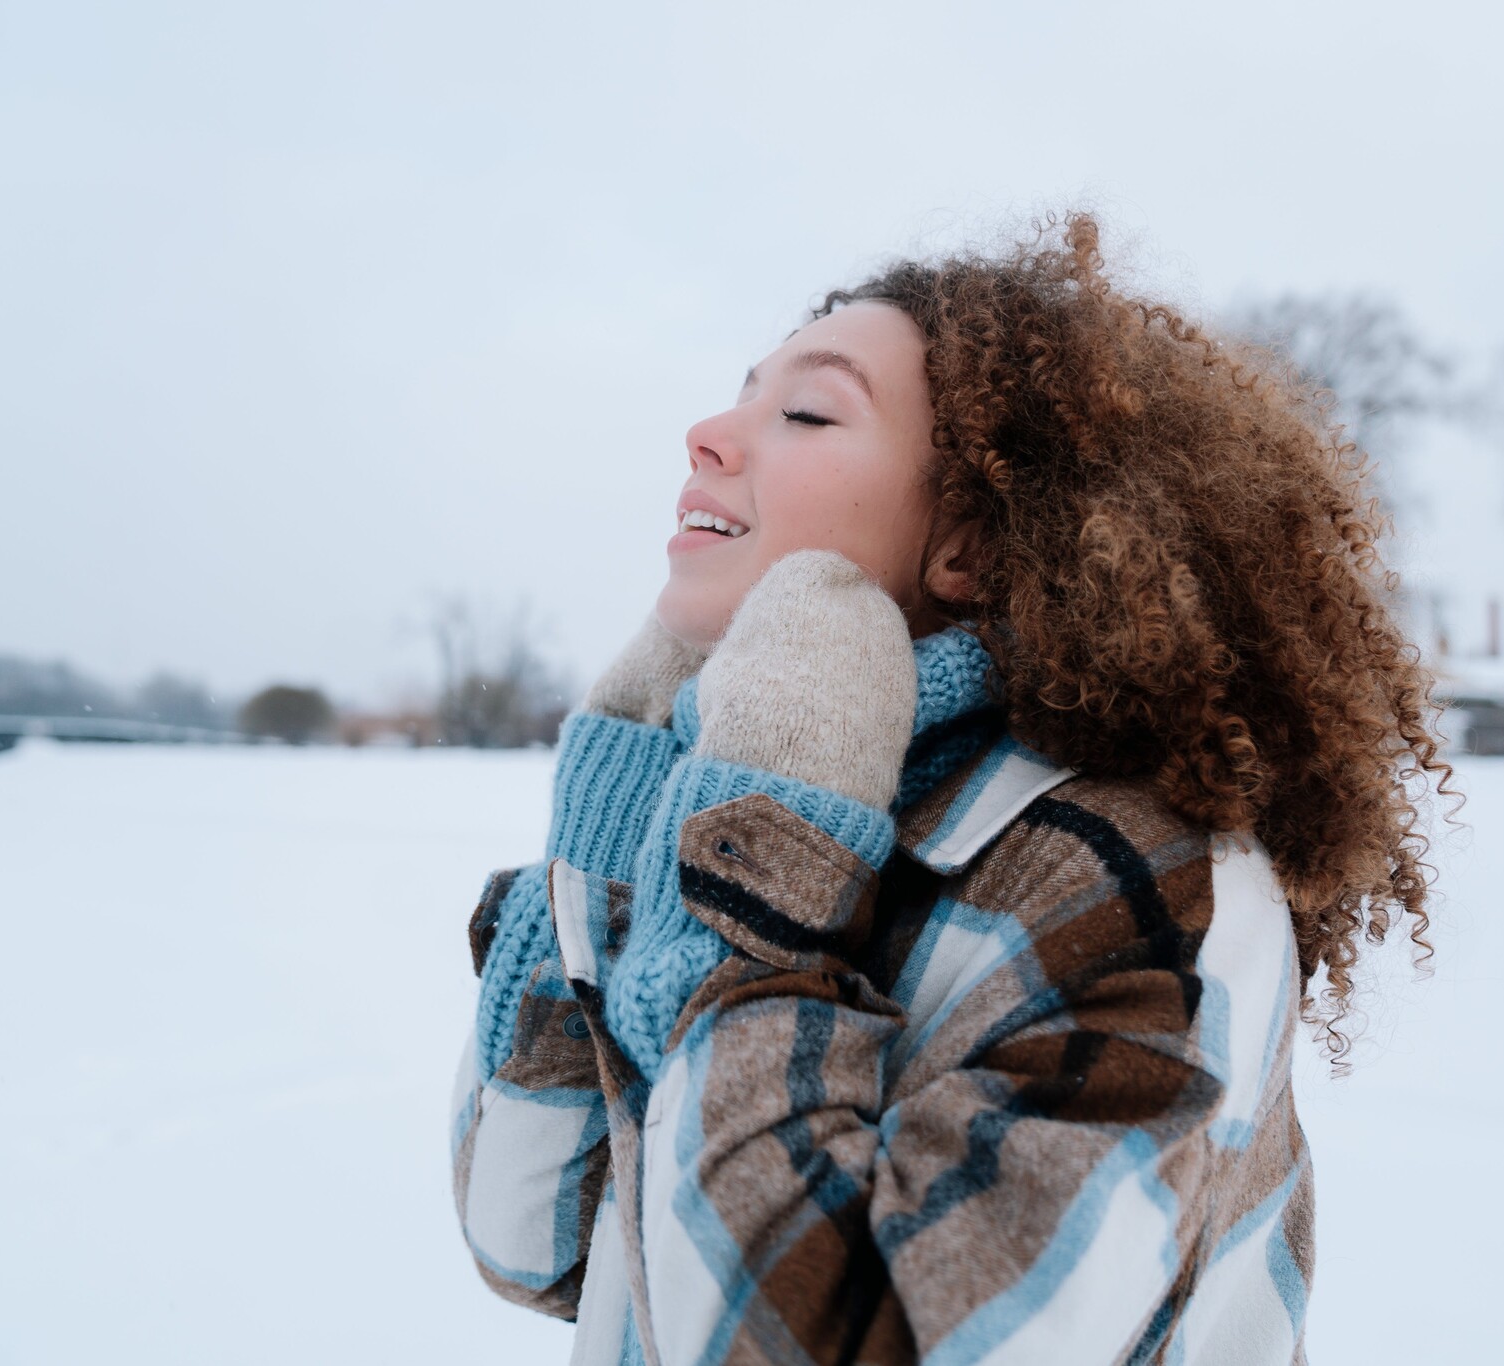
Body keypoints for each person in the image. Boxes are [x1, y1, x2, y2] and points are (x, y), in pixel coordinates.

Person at [449, 211, 1450, 1365]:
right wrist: (612, 834)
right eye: (740, 391)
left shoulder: (1134, 877)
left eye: (806, 411)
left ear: (968, 542)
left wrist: (765, 883)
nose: (707, 434)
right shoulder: (740, 791)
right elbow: (534, 1242)